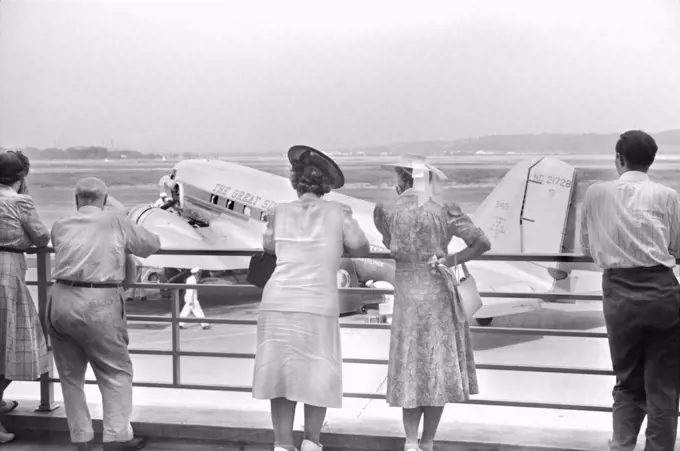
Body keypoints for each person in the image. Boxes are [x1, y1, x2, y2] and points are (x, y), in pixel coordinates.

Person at [252, 145, 370, 451]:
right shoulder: (338, 213)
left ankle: (282, 445)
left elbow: (268, 248)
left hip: (277, 301)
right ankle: (311, 442)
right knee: (318, 374)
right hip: (317, 302)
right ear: (326, 185)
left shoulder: (278, 212)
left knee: (279, 376)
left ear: (295, 181)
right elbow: (360, 248)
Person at [373, 154, 491, 451]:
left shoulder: (385, 209)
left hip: (407, 293)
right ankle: (427, 441)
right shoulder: (444, 211)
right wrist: (450, 259)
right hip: (438, 291)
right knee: (435, 367)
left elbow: (389, 242)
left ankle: (410, 441)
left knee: (410, 365)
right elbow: (482, 242)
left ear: (401, 179)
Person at [580, 130, 680, 451]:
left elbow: (587, 245)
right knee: (663, 386)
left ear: (619, 158)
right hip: (663, 292)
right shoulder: (667, 196)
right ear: (651, 161)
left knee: (627, 382)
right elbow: (676, 247)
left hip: (619, 295)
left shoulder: (596, 194)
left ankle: (621, 446)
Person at [47, 177, 162, 451]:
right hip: (99, 302)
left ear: (77, 200)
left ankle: (81, 438)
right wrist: (119, 217)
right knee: (115, 371)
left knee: (70, 375)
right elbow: (152, 244)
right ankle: (117, 437)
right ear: (105, 198)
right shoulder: (115, 221)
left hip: (60, 299)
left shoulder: (60, 224)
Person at [0, 150, 51, 444]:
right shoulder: (19, 201)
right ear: (20, 176)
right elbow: (42, 237)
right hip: (7, 274)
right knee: (9, 345)